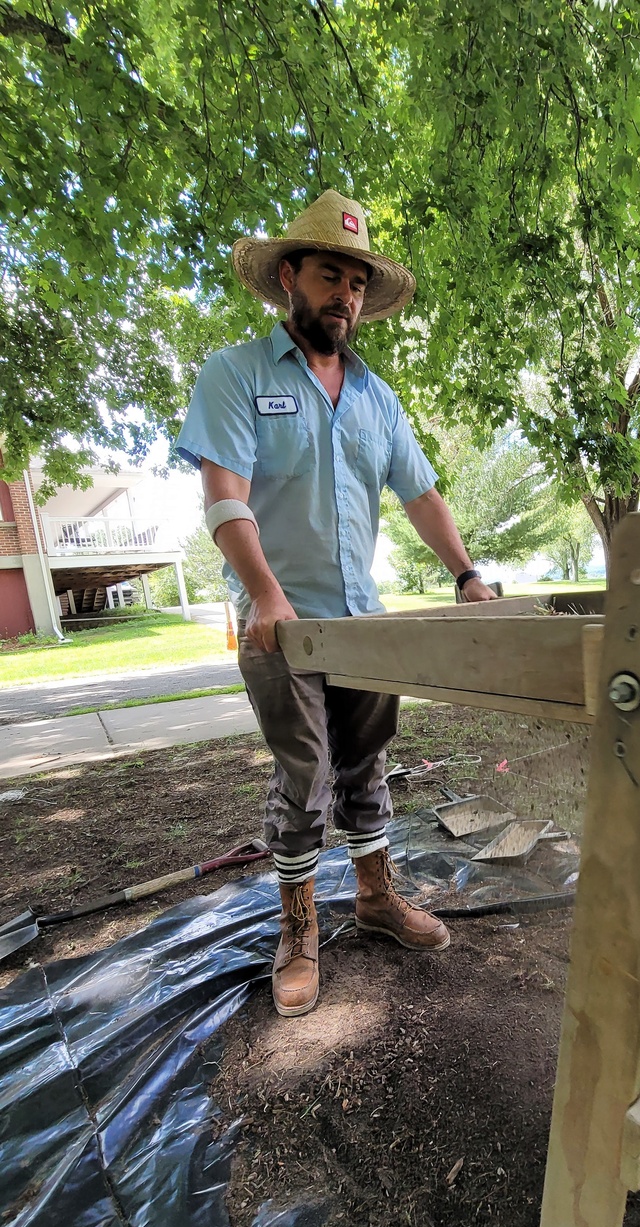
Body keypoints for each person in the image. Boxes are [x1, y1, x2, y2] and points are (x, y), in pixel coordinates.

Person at [176, 189, 496, 1018]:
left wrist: (466, 573)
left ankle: (377, 899)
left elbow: (421, 494)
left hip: (364, 626)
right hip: (281, 625)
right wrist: (266, 592)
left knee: (366, 766)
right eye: (329, 276)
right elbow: (225, 499)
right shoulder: (236, 374)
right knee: (306, 774)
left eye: (355, 282)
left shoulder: (377, 398)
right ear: (290, 278)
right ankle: (297, 926)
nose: (344, 296)